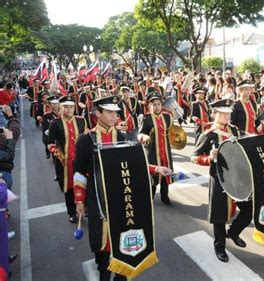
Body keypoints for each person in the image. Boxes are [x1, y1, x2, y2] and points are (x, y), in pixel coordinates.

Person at [74, 95, 169, 281]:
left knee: (122, 240)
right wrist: (79, 199)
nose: (114, 116)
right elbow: (78, 172)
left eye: (116, 112)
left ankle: (121, 273)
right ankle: (103, 270)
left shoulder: (123, 137)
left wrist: (156, 169)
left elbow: (135, 164)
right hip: (98, 198)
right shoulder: (86, 140)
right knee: (102, 243)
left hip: (122, 197)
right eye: (109, 112)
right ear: (97, 113)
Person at [191, 99, 251, 263]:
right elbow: (194, 157)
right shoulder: (208, 134)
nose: (227, 116)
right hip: (220, 178)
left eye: (228, 113)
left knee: (248, 209)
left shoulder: (236, 131)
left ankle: (233, 232)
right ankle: (220, 246)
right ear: (214, 114)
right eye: (223, 113)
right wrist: (209, 158)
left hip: (238, 178)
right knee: (219, 215)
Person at [48, 95, 87, 223]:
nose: (69, 109)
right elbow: (51, 144)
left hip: (81, 161)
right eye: (66, 107)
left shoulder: (81, 120)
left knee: (83, 184)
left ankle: (84, 208)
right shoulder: (55, 123)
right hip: (65, 163)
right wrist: (59, 155)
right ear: (61, 107)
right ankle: (72, 212)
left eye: (71, 107)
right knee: (69, 188)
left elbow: (87, 138)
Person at [137, 92, 174, 205]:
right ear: (150, 106)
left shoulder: (168, 117)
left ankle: (164, 196)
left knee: (165, 175)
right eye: (154, 104)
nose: (157, 106)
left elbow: (172, 131)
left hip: (165, 152)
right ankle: (150, 198)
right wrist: (144, 137)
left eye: (158, 104)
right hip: (152, 152)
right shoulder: (146, 118)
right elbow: (139, 134)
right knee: (153, 177)